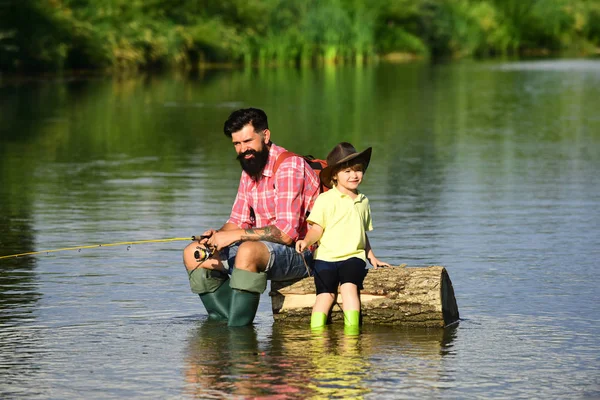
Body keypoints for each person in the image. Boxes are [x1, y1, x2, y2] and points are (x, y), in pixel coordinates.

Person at [183, 108, 320, 326]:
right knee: (194, 253)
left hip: (304, 256)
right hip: (262, 250)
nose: (243, 149)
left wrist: (233, 237)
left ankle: (239, 335)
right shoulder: (249, 168)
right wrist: (216, 236)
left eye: (247, 141)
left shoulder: (288, 166)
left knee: (247, 251)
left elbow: (286, 234)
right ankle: (226, 323)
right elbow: (237, 221)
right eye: (237, 144)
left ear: (265, 136)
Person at [295, 142, 390, 332]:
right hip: (325, 258)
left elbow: (361, 232)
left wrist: (371, 256)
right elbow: (317, 229)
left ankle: (352, 335)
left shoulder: (363, 201)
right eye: (347, 171)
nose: (354, 175)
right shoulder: (325, 199)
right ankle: (316, 335)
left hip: (352, 257)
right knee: (325, 295)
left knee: (349, 288)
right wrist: (306, 241)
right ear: (334, 176)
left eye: (358, 170)